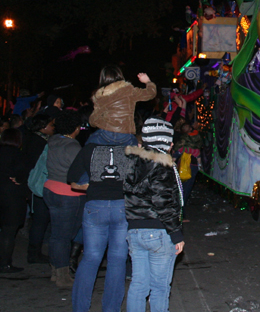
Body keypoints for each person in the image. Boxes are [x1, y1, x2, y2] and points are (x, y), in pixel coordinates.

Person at [67, 66, 155, 312]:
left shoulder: (91, 144)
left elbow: (71, 177)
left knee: (91, 258)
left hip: (95, 205)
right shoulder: (131, 143)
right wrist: (149, 83)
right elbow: (141, 179)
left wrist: (88, 180)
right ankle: (111, 309)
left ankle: (80, 308)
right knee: (117, 260)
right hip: (122, 207)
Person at [124, 117, 184, 312]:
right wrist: (176, 233)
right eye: (169, 140)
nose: (172, 144)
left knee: (139, 285)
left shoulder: (131, 161)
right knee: (159, 287)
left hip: (135, 230)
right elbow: (163, 202)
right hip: (159, 231)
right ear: (162, 141)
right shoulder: (163, 164)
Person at [43, 110, 85, 288]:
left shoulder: (53, 141)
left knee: (56, 234)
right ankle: (63, 276)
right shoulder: (73, 147)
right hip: (68, 194)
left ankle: (55, 270)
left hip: (50, 189)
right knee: (64, 236)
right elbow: (81, 173)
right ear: (76, 128)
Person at [0, 128, 29, 272]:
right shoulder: (17, 154)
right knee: (10, 231)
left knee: (4, 229)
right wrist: (20, 179)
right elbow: (21, 173)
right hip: (12, 196)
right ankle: (5, 263)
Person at [23, 113, 54, 264]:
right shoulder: (39, 142)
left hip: (35, 185)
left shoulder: (34, 139)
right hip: (38, 186)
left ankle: (35, 252)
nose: (53, 128)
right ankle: (33, 253)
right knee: (39, 221)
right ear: (43, 127)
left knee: (39, 221)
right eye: (51, 125)